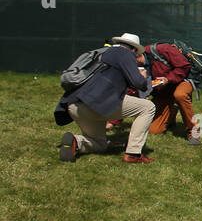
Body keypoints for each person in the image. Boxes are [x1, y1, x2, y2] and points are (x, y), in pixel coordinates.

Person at [55, 32, 157, 163]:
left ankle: (76, 142)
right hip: (96, 103)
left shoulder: (103, 52)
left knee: (99, 144)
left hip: (74, 104)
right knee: (148, 107)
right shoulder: (125, 53)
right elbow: (138, 83)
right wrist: (143, 78)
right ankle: (133, 153)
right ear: (134, 49)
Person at [146, 41, 201, 145]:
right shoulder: (137, 66)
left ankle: (193, 132)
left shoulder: (163, 49)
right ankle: (172, 113)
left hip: (185, 79)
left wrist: (168, 79)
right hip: (165, 89)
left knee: (180, 94)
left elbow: (184, 66)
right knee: (154, 130)